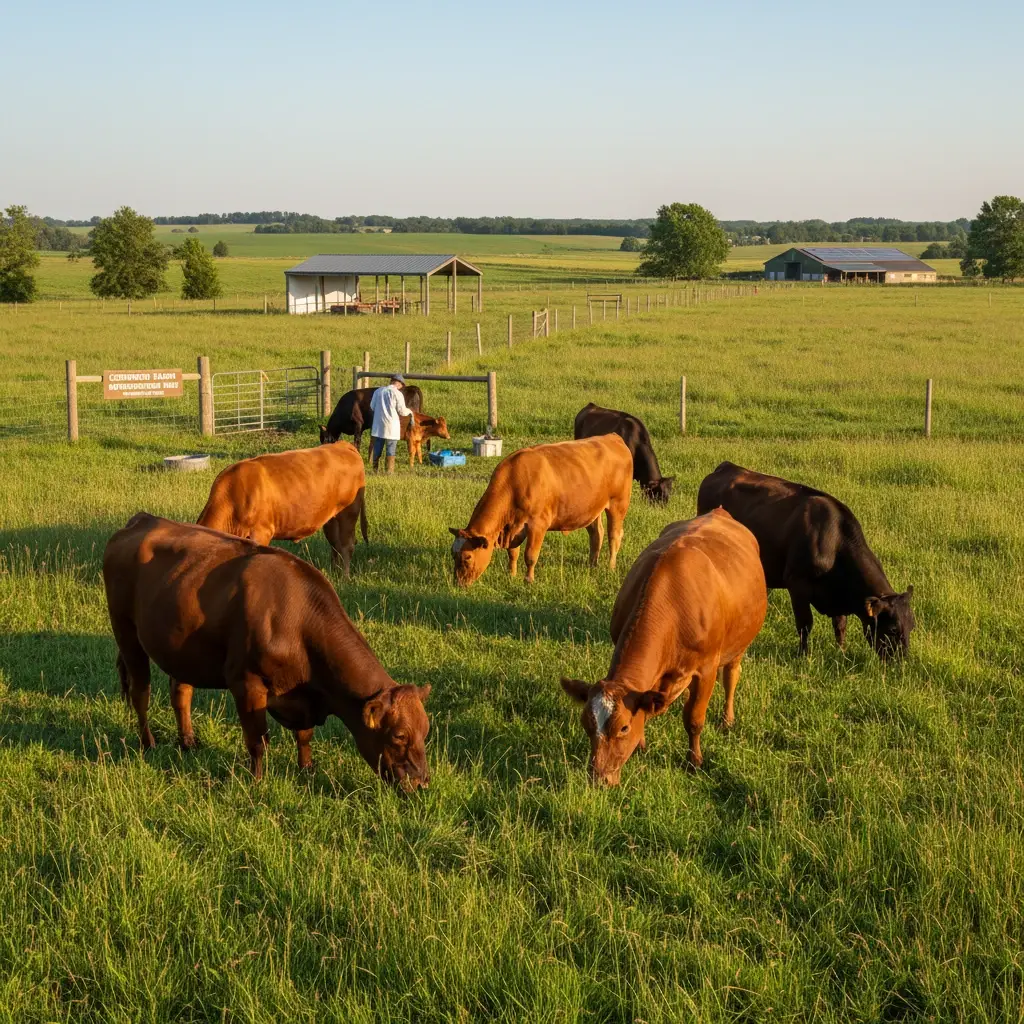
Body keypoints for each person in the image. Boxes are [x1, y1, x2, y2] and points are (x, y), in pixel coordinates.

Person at [368, 374, 411, 475]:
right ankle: (389, 473)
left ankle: (375, 471)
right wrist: (410, 412)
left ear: (391, 381)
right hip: (392, 427)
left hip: (378, 426)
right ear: (400, 384)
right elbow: (402, 411)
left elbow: (372, 406)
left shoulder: (378, 391)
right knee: (390, 450)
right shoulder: (397, 394)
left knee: (377, 448)